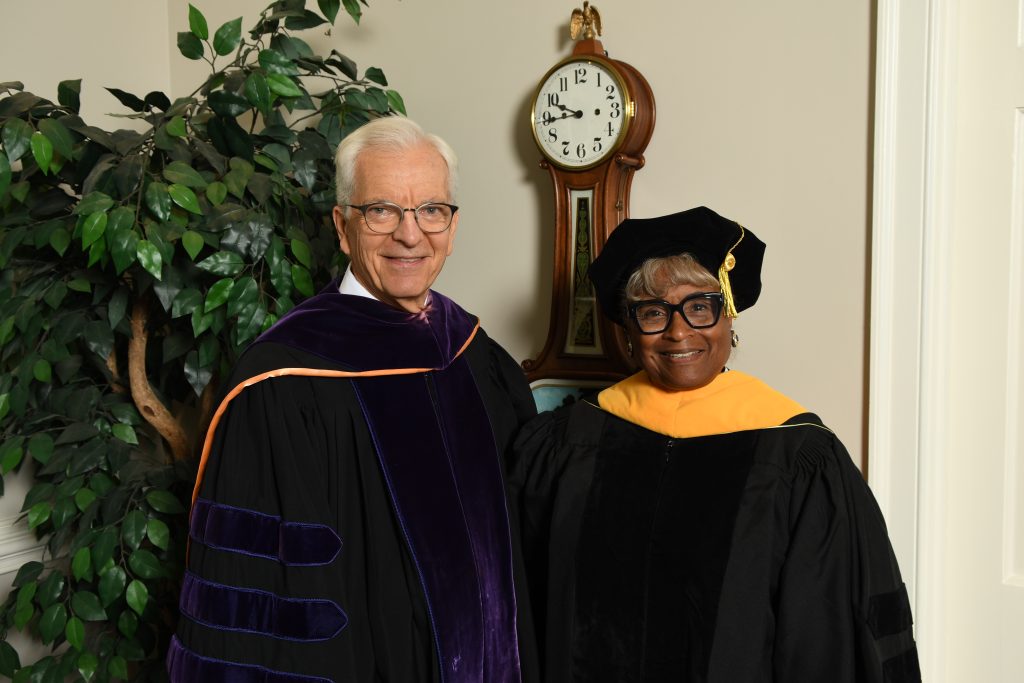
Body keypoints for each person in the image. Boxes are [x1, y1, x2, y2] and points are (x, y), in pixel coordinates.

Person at [169, 117, 538, 683]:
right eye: (382, 210)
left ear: (453, 225)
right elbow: (268, 614)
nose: (410, 235)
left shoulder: (474, 354)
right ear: (343, 227)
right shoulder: (282, 385)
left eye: (431, 210)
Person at [509, 206, 921, 682]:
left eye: (700, 307)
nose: (678, 331)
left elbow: (827, 632)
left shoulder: (796, 454)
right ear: (630, 331)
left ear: (729, 316)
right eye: (653, 312)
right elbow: (525, 600)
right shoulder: (569, 442)